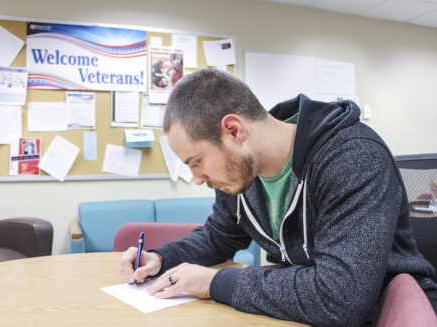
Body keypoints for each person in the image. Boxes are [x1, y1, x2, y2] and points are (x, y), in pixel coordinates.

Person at [120, 69, 437, 326]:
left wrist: (215, 283)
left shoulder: (352, 157)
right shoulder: (242, 171)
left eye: (197, 162)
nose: (197, 178)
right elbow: (219, 236)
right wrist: (161, 258)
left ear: (234, 130)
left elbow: (340, 299)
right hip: (310, 313)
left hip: (386, 313)